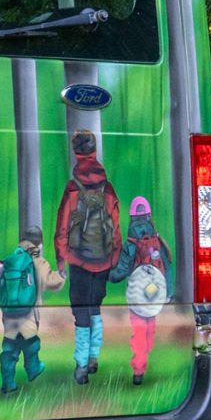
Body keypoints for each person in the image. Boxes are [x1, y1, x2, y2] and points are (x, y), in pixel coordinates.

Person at [54, 131, 123, 384]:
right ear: (94, 151)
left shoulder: (72, 188)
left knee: (80, 311)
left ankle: (81, 365)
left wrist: (61, 257)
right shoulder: (108, 188)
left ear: (76, 152)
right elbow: (115, 227)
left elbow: (63, 225)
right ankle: (94, 357)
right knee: (95, 308)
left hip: (79, 261)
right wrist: (114, 256)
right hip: (103, 259)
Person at [0, 226, 61, 394]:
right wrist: (62, 275)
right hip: (28, 313)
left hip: (9, 313)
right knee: (31, 342)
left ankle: (8, 383)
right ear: (38, 243)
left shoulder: (9, 260)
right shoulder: (37, 261)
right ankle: (33, 369)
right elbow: (52, 282)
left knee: (9, 347)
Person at [111, 194, 171, 386]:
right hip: (154, 295)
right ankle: (145, 354)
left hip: (137, 296)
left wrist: (106, 276)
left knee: (138, 330)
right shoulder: (157, 242)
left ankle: (138, 368)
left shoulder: (130, 245)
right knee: (150, 327)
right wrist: (167, 293)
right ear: (149, 216)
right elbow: (166, 268)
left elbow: (120, 271)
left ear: (131, 218)